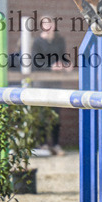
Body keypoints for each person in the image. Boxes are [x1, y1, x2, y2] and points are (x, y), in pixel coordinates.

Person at [30, 16, 71, 155]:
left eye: (50, 23)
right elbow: (36, 62)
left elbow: (63, 57)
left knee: (55, 113)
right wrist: (50, 67)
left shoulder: (60, 40)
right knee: (42, 112)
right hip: (41, 81)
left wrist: (66, 65)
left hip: (55, 81)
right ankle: (42, 144)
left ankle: (55, 144)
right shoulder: (37, 42)